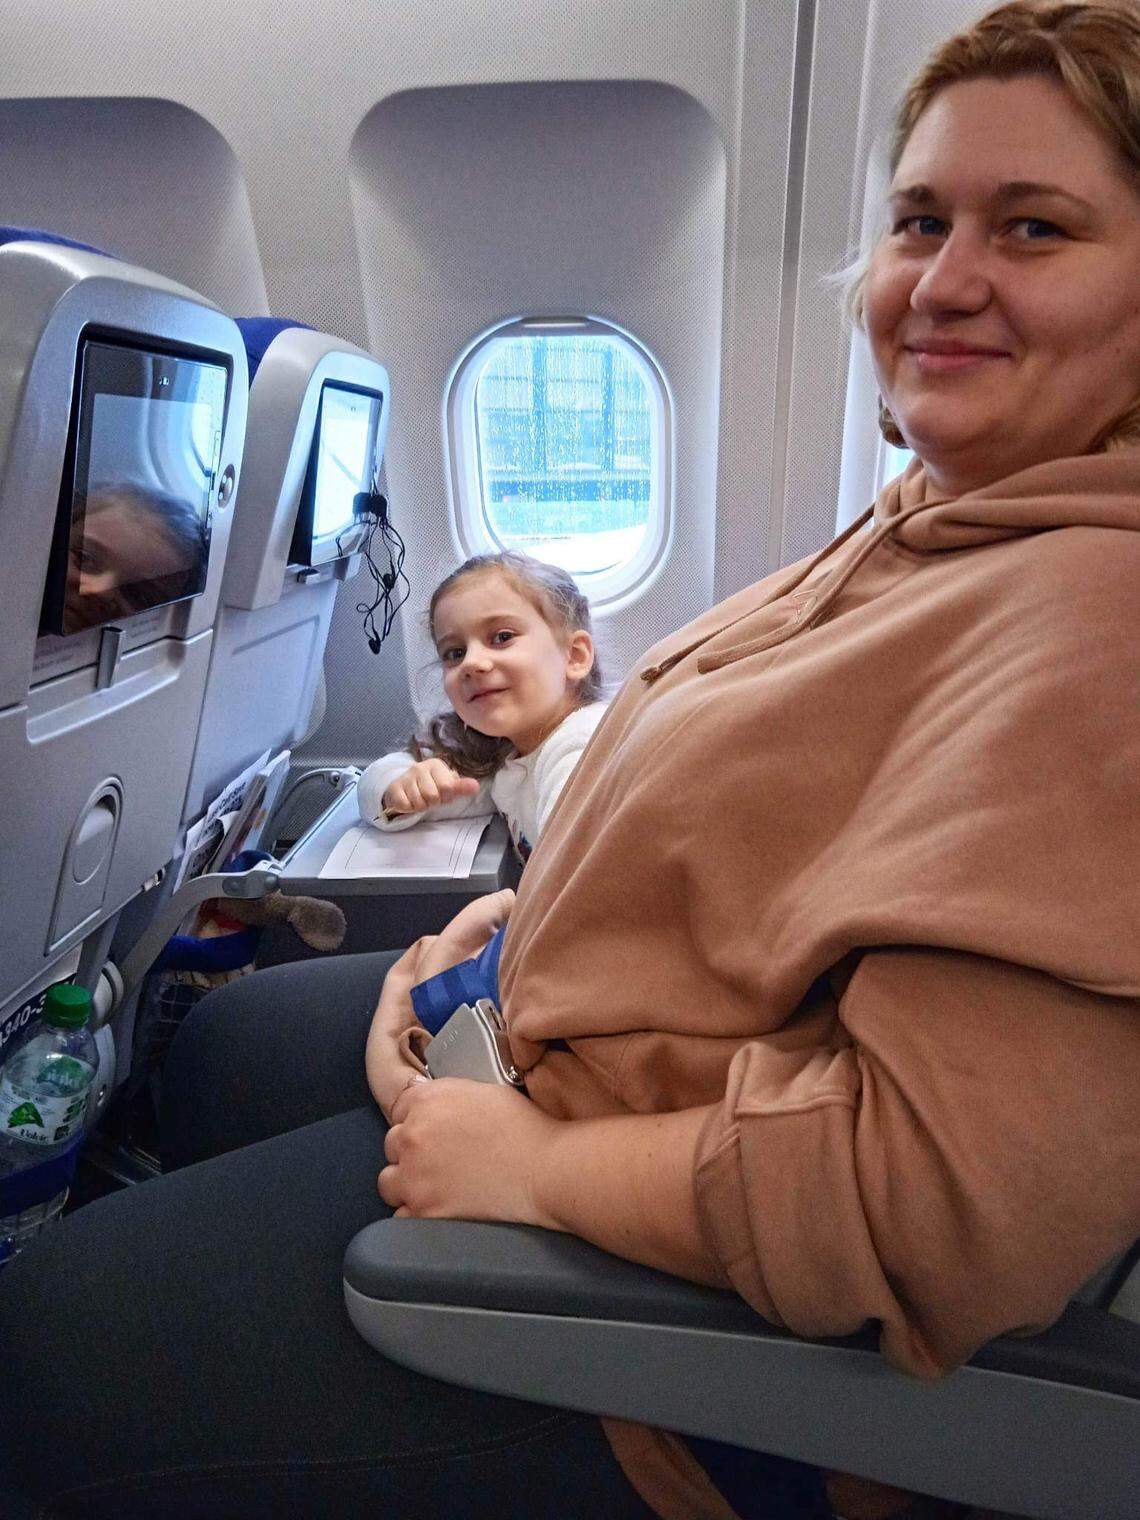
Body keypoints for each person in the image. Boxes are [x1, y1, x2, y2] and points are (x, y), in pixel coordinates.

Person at [2, 4, 1140, 1519]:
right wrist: (535, 926)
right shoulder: (941, 518)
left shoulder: (1100, 629)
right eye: (921, 217)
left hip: (678, 1343)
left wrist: (528, 1173)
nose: (942, 279)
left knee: (45, 1345)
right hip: (578, 1053)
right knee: (215, 1057)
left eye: (1037, 226)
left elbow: (930, 1212)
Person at [357, 552, 607, 863]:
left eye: (502, 637)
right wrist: (401, 788)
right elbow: (373, 783)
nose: (471, 663)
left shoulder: (580, 748)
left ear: (574, 656)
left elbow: (584, 880)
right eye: (454, 653)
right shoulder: (510, 756)